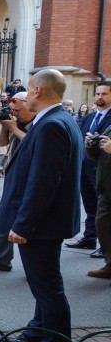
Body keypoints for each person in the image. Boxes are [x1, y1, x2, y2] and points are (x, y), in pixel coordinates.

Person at [0, 69, 82, 342]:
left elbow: (44, 182)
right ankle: (37, 332)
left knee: (47, 287)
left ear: (37, 91)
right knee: (41, 283)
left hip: (42, 224)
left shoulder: (51, 125)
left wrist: (24, 225)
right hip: (49, 221)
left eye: (29, 88)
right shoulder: (58, 120)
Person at [0, 91, 34, 272]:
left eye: (16, 108)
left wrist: (15, 128)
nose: (13, 113)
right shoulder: (16, 122)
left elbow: (34, 144)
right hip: (12, 175)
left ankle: (34, 267)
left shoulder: (39, 124)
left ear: (28, 104)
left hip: (29, 177)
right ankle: (2, 259)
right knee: (4, 218)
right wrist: (5, 126)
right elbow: (2, 144)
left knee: (29, 223)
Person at [65, 82, 111, 258]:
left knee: (104, 209)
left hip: (103, 169)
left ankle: (105, 244)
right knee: (90, 205)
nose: (99, 97)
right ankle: (89, 237)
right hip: (85, 166)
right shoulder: (89, 118)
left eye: (104, 94)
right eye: (98, 94)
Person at [85, 113, 111, 280]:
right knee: (102, 226)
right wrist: (91, 146)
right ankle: (110, 264)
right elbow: (97, 156)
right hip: (105, 188)